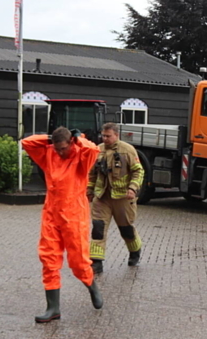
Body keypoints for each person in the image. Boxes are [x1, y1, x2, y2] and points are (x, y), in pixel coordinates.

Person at [21, 127, 103, 323]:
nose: (60, 152)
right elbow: (28, 142)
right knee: (48, 258)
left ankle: (91, 285)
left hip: (75, 214)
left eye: (63, 148)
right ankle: (53, 308)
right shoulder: (50, 153)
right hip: (51, 213)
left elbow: (93, 150)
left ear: (71, 144)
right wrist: (50, 138)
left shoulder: (81, 156)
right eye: (57, 148)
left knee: (78, 262)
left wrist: (79, 138)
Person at [87, 122, 145, 272]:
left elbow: (138, 171)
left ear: (116, 135)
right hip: (102, 197)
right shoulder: (97, 151)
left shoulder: (127, 150)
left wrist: (132, 188)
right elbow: (92, 174)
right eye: (103, 135)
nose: (104, 138)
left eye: (108, 136)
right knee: (98, 228)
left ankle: (134, 252)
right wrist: (89, 191)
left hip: (123, 198)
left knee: (126, 229)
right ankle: (96, 262)